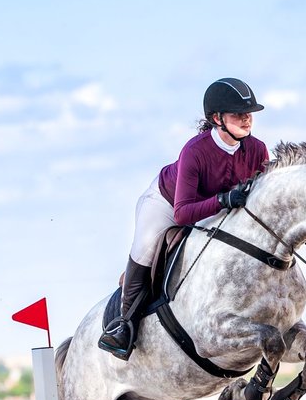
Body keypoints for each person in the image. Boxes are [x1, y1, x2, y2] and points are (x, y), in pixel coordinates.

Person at [98, 78, 270, 360]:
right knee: (145, 252)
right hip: (167, 204)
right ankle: (123, 325)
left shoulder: (257, 150)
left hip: (217, 208)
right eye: (238, 113)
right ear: (217, 118)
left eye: (249, 113)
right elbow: (182, 213)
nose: (247, 119)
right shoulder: (195, 151)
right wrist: (222, 201)